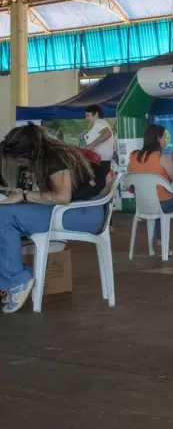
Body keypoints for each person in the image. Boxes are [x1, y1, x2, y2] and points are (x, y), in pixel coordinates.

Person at [0, 124, 107, 314]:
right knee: (8, 215)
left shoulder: (53, 158)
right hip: (80, 211)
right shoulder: (55, 152)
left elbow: (62, 197)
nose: (17, 163)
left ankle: (17, 279)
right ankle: (8, 281)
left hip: (81, 215)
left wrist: (24, 196)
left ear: (27, 152)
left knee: (5, 215)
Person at [127, 124, 173, 258]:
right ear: (157, 138)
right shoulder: (163, 158)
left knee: (156, 202)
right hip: (164, 204)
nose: (165, 141)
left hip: (142, 204)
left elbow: (130, 185)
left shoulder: (133, 157)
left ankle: (161, 241)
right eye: (164, 137)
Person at [83, 105, 115, 177]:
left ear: (96, 114)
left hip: (101, 161)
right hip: (97, 161)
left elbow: (107, 133)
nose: (86, 118)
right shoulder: (97, 125)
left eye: (88, 115)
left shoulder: (99, 122)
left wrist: (91, 145)